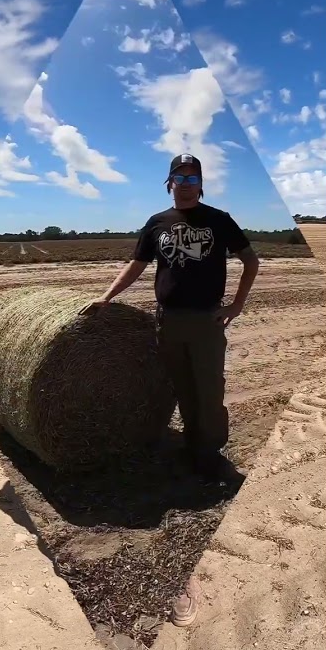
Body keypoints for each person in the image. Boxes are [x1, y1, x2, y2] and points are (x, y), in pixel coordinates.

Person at [82, 154, 259, 486]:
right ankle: (193, 448)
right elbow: (137, 264)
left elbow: (251, 261)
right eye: (180, 178)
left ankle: (212, 456)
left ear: (201, 184)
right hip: (168, 321)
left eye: (193, 179)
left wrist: (236, 305)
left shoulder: (219, 219)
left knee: (209, 390)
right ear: (170, 183)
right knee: (183, 388)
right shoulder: (157, 222)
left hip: (206, 320)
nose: (186, 184)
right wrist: (107, 296)